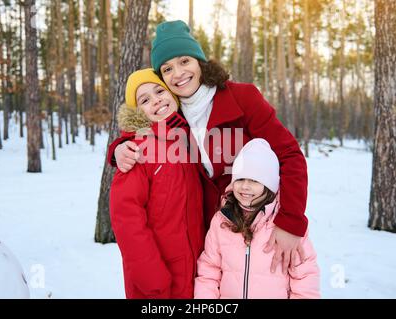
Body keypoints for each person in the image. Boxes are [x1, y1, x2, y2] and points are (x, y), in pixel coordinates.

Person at [108, 20, 308, 274]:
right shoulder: (172, 113)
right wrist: (119, 147)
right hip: (209, 243)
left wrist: (290, 222)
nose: (178, 73)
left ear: (199, 61)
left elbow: (289, 155)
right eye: (167, 69)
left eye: (184, 61)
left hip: (259, 229)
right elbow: (146, 135)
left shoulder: (242, 97)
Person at [109, 68, 205, 299]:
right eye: (144, 100)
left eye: (159, 91)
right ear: (137, 112)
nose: (156, 100)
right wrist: (152, 279)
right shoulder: (136, 150)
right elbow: (126, 220)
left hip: (196, 273)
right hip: (158, 281)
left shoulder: (190, 139)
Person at [194, 139, 320, 299]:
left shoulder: (286, 226)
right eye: (240, 179)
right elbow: (209, 271)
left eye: (254, 181)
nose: (245, 186)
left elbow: (304, 277)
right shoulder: (222, 220)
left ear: (269, 185)